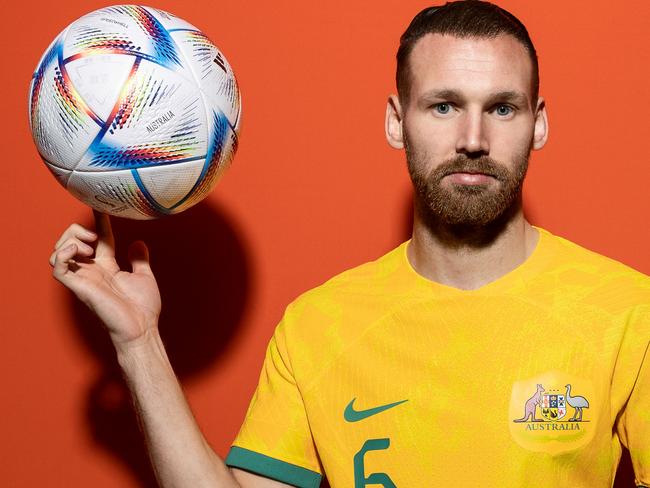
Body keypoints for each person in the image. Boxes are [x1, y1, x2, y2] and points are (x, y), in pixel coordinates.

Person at [50, 1, 649, 487]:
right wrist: (139, 342)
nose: (473, 137)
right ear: (396, 121)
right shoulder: (318, 327)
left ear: (538, 123)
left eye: (502, 108)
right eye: (443, 105)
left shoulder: (627, 314)